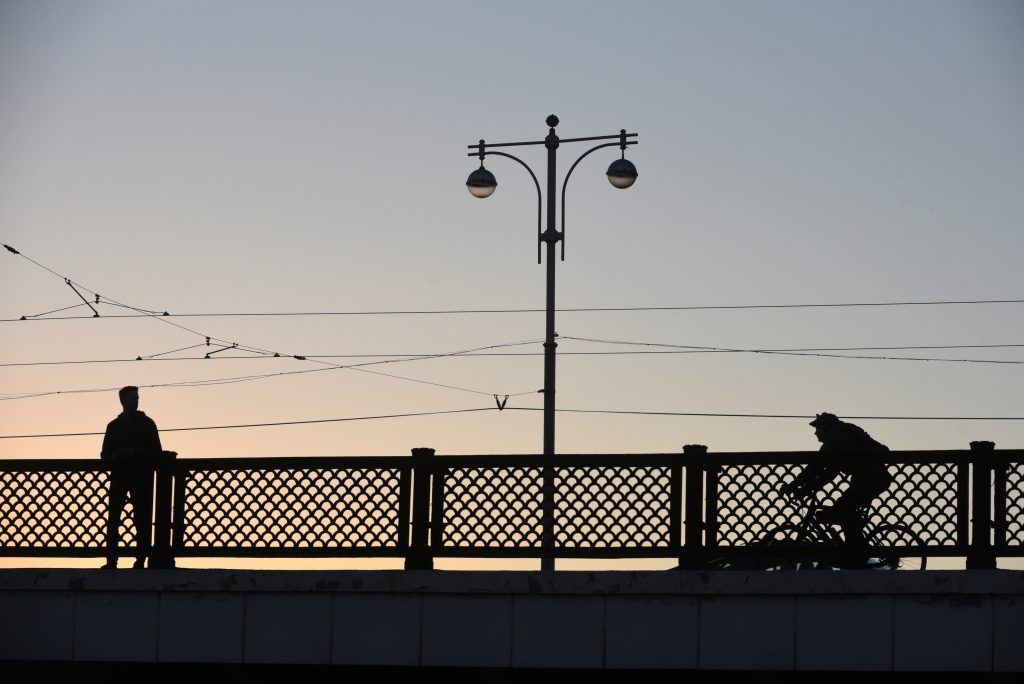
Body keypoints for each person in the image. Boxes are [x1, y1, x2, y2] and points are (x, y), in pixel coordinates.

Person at [780, 412, 894, 555]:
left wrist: (795, 486)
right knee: (844, 509)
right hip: (872, 479)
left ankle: (857, 553)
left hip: (872, 479)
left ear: (825, 427)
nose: (815, 433)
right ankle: (855, 549)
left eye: (817, 428)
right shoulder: (838, 440)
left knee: (843, 509)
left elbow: (816, 467)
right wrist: (806, 488)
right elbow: (828, 473)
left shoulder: (834, 439)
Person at [100, 386, 162, 569]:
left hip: (141, 478)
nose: (136, 401)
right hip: (121, 477)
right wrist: (112, 457)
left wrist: (132, 452)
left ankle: (140, 560)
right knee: (114, 520)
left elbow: (156, 452)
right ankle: (112, 561)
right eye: (132, 398)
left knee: (141, 520)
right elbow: (104, 454)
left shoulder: (147, 423)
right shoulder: (113, 426)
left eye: (137, 398)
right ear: (123, 401)